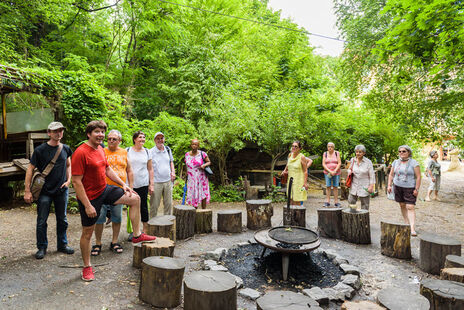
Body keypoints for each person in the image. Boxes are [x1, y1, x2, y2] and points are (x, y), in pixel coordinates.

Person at [72, 120, 156, 281]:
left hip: (104, 190)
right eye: (97, 131)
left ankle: (137, 234)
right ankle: (87, 266)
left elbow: (107, 169)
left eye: (102, 131)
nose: (101, 135)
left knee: (135, 198)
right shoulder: (81, 152)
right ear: (89, 134)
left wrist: (123, 185)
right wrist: (88, 205)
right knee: (87, 233)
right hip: (89, 197)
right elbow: (76, 182)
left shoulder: (100, 150)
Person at [24, 121, 74, 259]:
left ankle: (62, 245)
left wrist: (68, 180)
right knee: (41, 220)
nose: (59, 133)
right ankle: (42, 247)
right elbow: (30, 169)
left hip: (61, 191)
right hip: (44, 192)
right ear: (49, 133)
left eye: (61, 130)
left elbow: (69, 165)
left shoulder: (65, 148)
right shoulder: (40, 150)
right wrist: (27, 190)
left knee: (62, 219)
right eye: (55, 131)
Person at [91, 130, 133, 256]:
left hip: (118, 191)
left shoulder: (124, 152)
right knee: (100, 218)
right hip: (102, 190)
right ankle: (98, 243)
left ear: (119, 141)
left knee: (117, 217)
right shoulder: (101, 151)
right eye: (109, 138)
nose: (111, 141)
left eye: (114, 139)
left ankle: (114, 242)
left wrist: (130, 186)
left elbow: (129, 170)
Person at [387, 145, 421, 236]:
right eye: (400, 151)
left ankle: (412, 228)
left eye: (404, 151)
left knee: (410, 207)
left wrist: (416, 189)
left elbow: (418, 177)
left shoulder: (414, 163)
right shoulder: (395, 162)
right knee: (402, 205)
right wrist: (389, 185)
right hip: (397, 187)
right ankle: (407, 223)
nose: (401, 153)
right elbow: (391, 175)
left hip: (410, 188)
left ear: (408, 152)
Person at [126, 131, 153, 239]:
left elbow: (150, 169)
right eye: (140, 137)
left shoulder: (147, 151)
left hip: (143, 183)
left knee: (143, 206)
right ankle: (133, 231)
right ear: (134, 139)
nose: (142, 139)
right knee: (130, 207)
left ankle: (145, 229)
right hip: (130, 184)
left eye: (144, 137)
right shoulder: (127, 151)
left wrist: (152, 184)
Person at [149, 132, 175, 217]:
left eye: (161, 138)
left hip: (168, 181)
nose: (160, 140)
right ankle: (152, 224)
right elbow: (149, 168)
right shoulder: (151, 151)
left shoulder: (168, 149)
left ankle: (167, 223)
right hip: (156, 182)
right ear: (154, 140)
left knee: (168, 204)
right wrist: (151, 183)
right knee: (154, 205)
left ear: (164, 139)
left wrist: (173, 172)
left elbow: (171, 161)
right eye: (158, 138)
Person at [347, 145, 375, 210]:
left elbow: (372, 175)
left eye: (360, 152)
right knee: (351, 202)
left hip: (364, 185)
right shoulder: (353, 160)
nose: (358, 153)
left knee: (365, 205)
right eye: (356, 152)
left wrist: (371, 186)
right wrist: (349, 171)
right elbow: (349, 169)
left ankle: (364, 219)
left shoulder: (368, 162)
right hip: (354, 185)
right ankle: (352, 217)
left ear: (364, 153)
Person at [185, 139, 211, 208]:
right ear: (191, 145)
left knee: (203, 193)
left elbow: (209, 162)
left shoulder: (202, 154)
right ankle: (195, 210)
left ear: (198, 146)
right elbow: (186, 165)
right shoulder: (187, 154)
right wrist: (186, 174)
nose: (194, 146)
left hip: (201, 177)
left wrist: (203, 165)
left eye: (196, 144)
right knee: (193, 193)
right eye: (193, 144)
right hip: (191, 178)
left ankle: (203, 211)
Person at [281, 141, 309, 205]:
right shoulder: (290, 155)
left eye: (296, 146)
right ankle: (291, 214)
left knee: (297, 200)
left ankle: (298, 214)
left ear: (299, 148)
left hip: (299, 181)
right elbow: (288, 164)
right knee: (290, 199)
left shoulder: (302, 157)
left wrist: (305, 183)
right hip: (290, 180)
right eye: (292, 146)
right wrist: (284, 170)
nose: (293, 147)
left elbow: (305, 171)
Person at [322, 142, 341, 207]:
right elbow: (323, 164)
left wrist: (335, 171)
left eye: (331, 146)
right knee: (328, 186)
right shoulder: (325, 154)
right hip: (327, 172)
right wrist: (330, 171)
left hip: (336, 172)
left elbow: (339, 163)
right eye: (328, 146)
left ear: (333, 147)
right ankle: (327, 201)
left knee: (335, 186)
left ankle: (336, 202)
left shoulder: (336, 153)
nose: (330, 148)